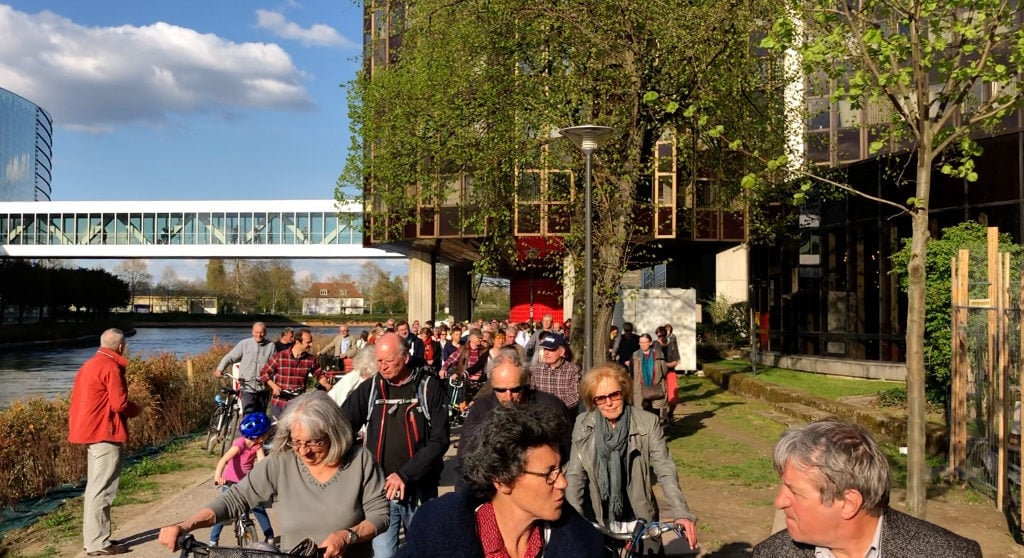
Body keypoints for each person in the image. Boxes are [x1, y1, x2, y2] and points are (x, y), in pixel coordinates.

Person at [159, 392, 389, 558]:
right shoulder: (281, 462)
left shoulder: (360, 460)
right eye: (296, 442)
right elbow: (234, 499)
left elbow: (380, 516)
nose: (304, 451)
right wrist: (186, 525)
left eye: (314, 442)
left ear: (335, 433)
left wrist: (348, 536)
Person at [397, 404, 604, 558]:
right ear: (502, 480)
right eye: (548, 473)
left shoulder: (582, 544)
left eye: (560, 469)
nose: (562, 483)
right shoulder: (437, 534)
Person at [753, 420, 982, 558]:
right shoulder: (771, 554)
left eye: (794, 491)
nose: (779, 501)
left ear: (849, 503)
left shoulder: (952, 554)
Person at [566, 363, 698, 551]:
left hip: (639, 517)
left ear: (624, 391)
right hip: (597, 517)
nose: (609, 403)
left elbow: (665, 470)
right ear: (592, 401)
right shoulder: (583, 424)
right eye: (601, 399)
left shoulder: (647, 422)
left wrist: (681, 512)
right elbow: (574, 475)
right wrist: (574, 519)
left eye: (614, 394)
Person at [341, 332, 450, 558]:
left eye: (388, 361)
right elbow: (342, 425)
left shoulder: (428, 388)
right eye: (379, 361)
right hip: (380, 491)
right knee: (384, 554)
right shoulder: (371, 389)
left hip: (419, 488)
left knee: (422, 551)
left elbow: (440, 440)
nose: (382, 366)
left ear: (405, 357)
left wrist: (405, 474)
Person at [68, 328, 140, 556]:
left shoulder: (89, 365)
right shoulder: (110, 367)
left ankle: (95, 538)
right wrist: (137, 409)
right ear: (120, 347)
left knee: (95, 488)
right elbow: (120, 404)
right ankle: (98, 543)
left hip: (90, 432)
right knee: (103, 490)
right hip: (105, 432)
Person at [456, 349, 572, 489]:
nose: (508, 396)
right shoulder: (481, 410)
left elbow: (566, 452)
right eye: (501, 390)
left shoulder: (551, 406)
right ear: (492, 385)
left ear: (524, 383)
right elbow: (466, 459)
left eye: (515, 389)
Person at [208, 412, 275, 547]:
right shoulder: (239, 444)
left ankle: (270, 536)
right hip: (229, 483)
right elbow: (223, 460)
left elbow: (261, 462)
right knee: (224, 510)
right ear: (260, 435)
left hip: (246, 483)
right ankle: (213, 541)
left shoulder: (257, 445)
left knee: (258, 507)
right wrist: (218, 477)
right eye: (266, 434)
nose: (267, 436)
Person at [260, 328, 331, 419]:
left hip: (298, 405)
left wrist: (325, 383)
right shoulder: (280, 356)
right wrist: (274, 386)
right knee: (275, 431)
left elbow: (319, 374)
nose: (311, 344)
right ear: (297, 342)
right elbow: (264, 373)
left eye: (311, 342)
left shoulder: (311, 359)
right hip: (279, 403)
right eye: (308, 342)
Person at [215, 321, 276, 415]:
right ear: (252, 332)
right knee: (248, 415)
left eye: (261, 332)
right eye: (256, 332)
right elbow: (230, 357)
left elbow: (275, 366)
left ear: (265, 333)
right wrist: (220, 369)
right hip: (247, 387)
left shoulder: (271, 346)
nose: (259, 335)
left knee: (260, 417)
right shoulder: (244, 344)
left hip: (263, 388)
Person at [531, 332, 583, 413]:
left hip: (565, 415)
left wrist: (556, 408)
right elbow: (532, 394)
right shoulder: (537, 370)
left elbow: (575, 397)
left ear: (562, 351)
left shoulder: (573, 370)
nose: (546, 353)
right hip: (542, 416)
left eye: (551, 349)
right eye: (545, 349)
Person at [632, 333, 667, 418]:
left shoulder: (658, 354)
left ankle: (654, 430)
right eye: (641, 342)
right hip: (641, 388)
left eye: (645, 342)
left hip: (656, 388)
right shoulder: (636, 355)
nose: (642, 345)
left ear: (650, 343)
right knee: (642, 412)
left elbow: (664, 371)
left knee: (655, 412)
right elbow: (633, 372)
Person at [656, 326, 680, 423]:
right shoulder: (655, 344)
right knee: (658, 396)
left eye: (662, 335)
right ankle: (660, 417)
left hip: (670, 372)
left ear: (666, 335)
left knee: (673, 397)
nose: (660, 338)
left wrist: (664, 364)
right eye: (658, 336)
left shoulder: (672, 345)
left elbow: (676, 361)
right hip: (658, 373)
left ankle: (670, 414)